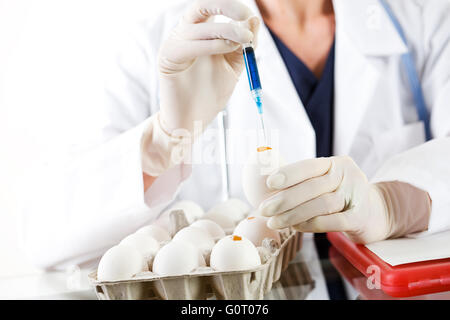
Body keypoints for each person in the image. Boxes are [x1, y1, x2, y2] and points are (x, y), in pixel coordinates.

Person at [21, 0, 450, 271]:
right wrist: (162, 143)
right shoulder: (154, 41)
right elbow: (39, 233)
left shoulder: (424, 18)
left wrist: (395, 203)